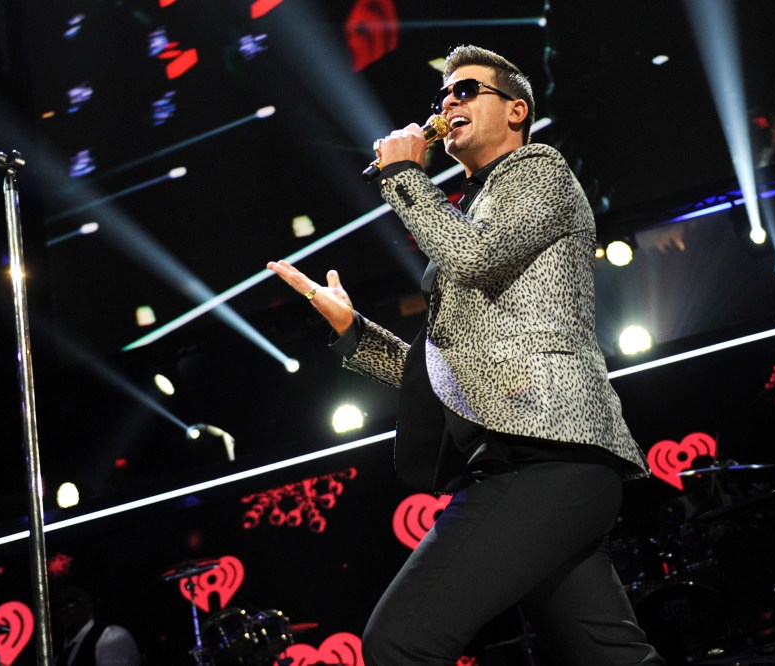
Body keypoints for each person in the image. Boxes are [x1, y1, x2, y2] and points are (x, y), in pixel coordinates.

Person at [268, 44, 662, 664]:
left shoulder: (540, 171)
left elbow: (474, 257)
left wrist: (404, 176)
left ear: (516, 110)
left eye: (466, 89)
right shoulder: (471, 211)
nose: (447, 101)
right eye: (442, 94)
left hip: (544, 455)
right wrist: (353, 330)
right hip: (543, 468)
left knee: (399, 643)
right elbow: (442, 371)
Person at [51, 586, 141, 666]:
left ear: (89, 606)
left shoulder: (111, 637)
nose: (62, 609)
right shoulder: (61, 648)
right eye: (57, 605)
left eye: (70, 602)